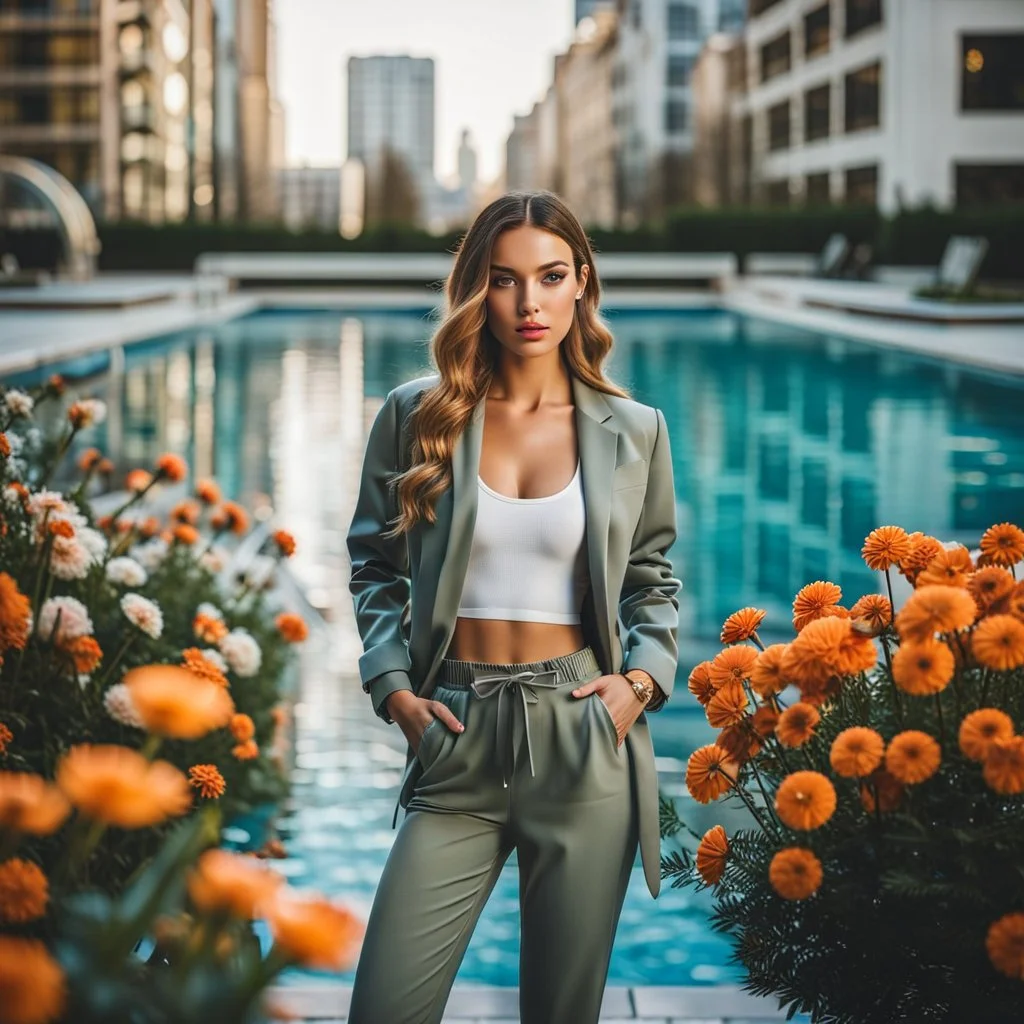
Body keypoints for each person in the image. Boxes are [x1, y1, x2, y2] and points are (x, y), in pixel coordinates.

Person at [345, 190, 681, 1024]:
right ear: (475, 290)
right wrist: (392, 687)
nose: (529, 304)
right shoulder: (417, 416)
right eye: (504, 280)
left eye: (550, 276)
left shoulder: (633, 429)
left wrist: (639, 684)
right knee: (385, 1006)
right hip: (455, 731)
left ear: (581, 283)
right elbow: (374, 563)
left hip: (582, 735)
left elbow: (652, 578)